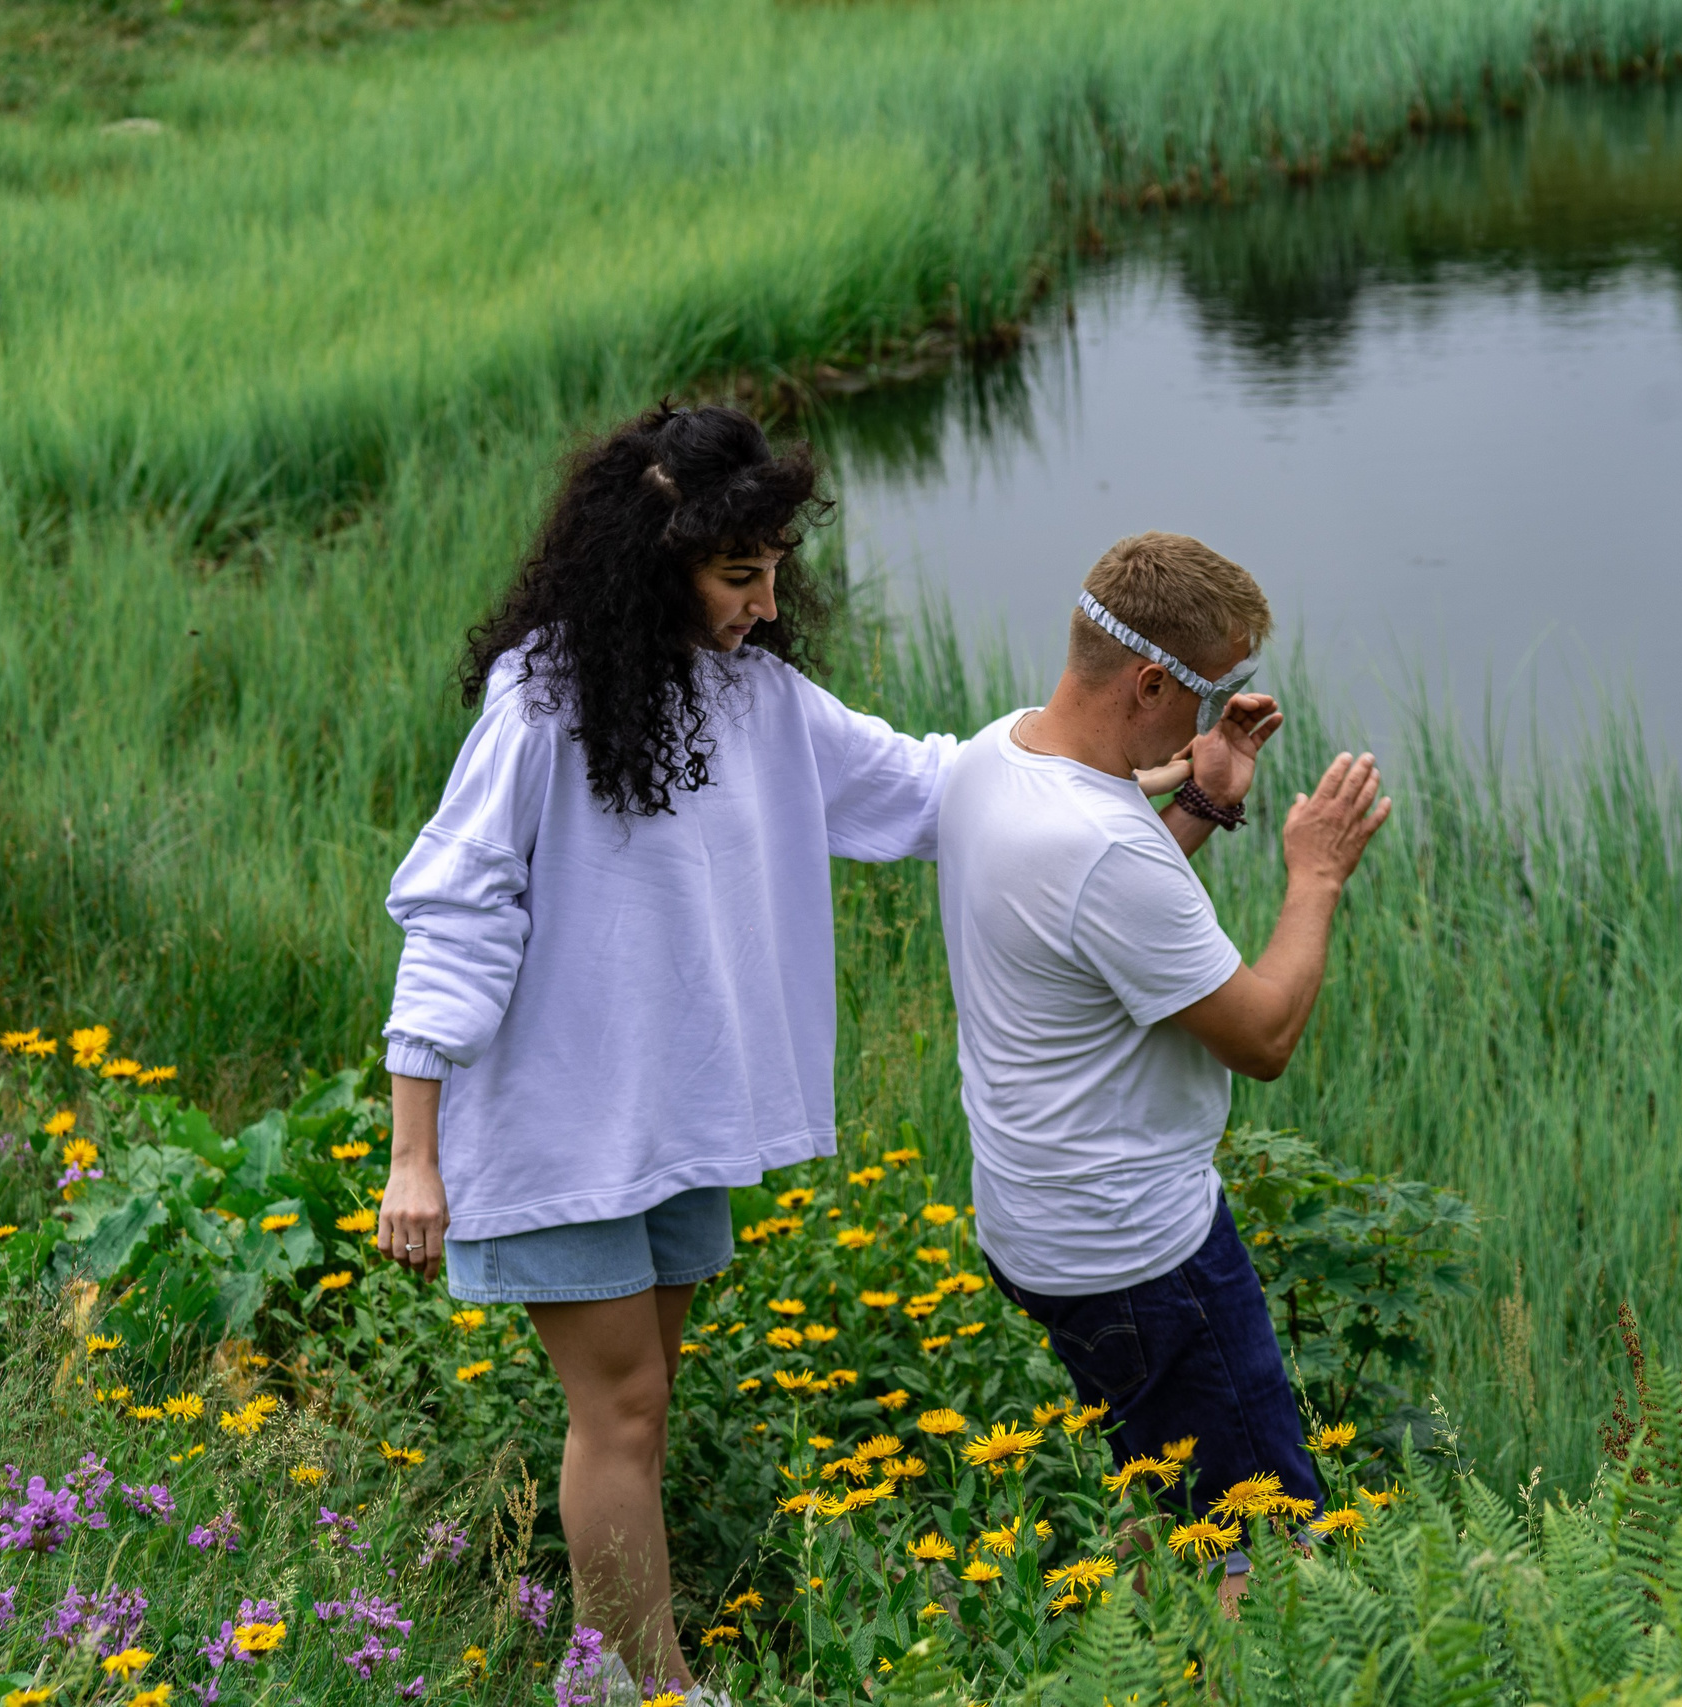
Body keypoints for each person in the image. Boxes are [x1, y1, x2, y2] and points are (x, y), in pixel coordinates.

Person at [371, 403, 960, 1701]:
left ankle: (605, 1674)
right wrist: (413, 1154)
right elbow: (458, 907)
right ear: (655, 565)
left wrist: (1131, 773)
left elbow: (929, 789)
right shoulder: (545, 702)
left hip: (673, 1120)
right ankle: (655, 1689)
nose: (762, 600)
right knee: (623, 1411)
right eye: (735, 575)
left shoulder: (760, 699)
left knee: (639, 1411)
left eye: (769, 572)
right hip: (558, 1121)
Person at [934, 530, 1392, 1591]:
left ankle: (1144, 1651)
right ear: (1149, 681)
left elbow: (1088, 920)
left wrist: (1203, 796)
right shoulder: (1103, 849)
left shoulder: (990, 758)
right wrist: (1315, 875)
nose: (1218, 709)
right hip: (1140, 1256)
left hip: (1034, 1228)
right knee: (1260, 1550)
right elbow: (1263, 1034)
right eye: (1211, 689)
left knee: (1162, 1485)